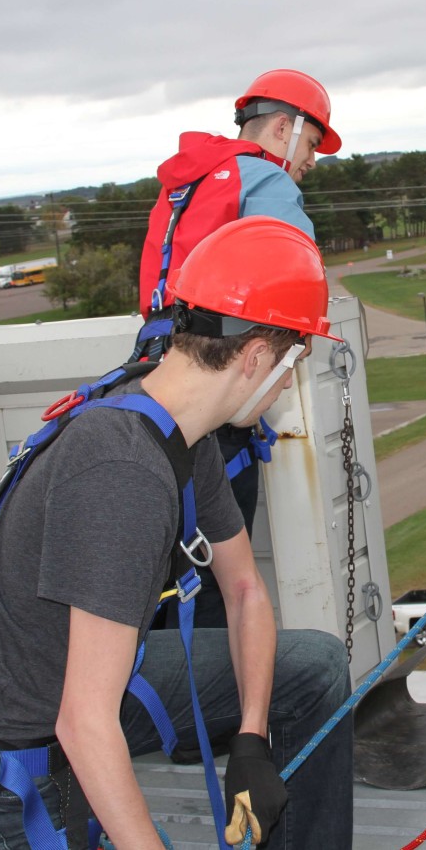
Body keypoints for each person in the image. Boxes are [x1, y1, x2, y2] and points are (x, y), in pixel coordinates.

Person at [0, 216, 353, 850]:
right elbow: (84, 721)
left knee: (312, 668)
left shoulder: (178, 425)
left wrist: (252, 742)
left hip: (82, 684)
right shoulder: (123, 469)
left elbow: (246, 593)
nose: (288, 383)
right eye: (292, 364)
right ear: (256, 357)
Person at [132, 68, 342, 628]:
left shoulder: (188, 183)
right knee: (219, 585)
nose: (311, 160)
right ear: (282, 127)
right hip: (222, 402)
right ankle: (219, 709)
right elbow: (298, 285)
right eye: (312, 143)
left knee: (163, 572)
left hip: (152, 385)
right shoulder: (269, 185)